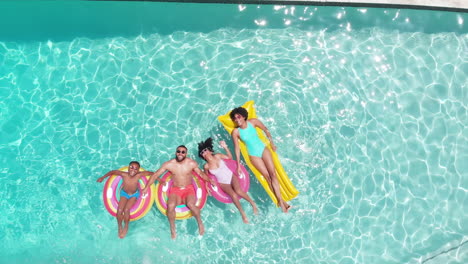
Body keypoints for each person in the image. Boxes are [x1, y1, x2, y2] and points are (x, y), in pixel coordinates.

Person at [142, 145, 213, 239]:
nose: (180, 153)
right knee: (170, 206)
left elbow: (200, 173)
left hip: (189, 189)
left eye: (183, 152)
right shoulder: (169, 164)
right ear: (176, 152)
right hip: (175, 190)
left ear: (186, 154)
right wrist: (146, 187)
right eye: (178, 151)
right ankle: (172, 228)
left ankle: (200, 222)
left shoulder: (191, 163)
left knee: (191, 204)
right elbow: (155, 175)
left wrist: (209, 181)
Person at [229, 106, 291, 213]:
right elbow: (237, 149)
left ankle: (281, 202)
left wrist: (272, 143)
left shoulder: (253, 122)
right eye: (234, 118)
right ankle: (282, 202)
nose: (237, 120)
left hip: (263, 149)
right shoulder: (236, 132)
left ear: (243, 116)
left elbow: (265, 130)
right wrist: (238, 165)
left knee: (273, 174)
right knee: (267, 177)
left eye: (238, 117)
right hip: (253, 155)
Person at [198, 138, 258, 223]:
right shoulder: (206, 166)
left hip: (231, 176)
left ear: (210, 151)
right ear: (202, 156)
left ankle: (252, 203)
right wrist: (207, 186)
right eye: (202, 152)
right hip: (223, 183)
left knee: (238, 191)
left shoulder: (218, 156)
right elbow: (206, 176)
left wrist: (225, 147)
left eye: (205, 150)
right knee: (233, 195)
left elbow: (230, 157)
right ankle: (243, 214)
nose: (204, 152)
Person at [97, 161, 155, 239]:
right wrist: (103, 177)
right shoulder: (123, 174)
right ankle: (120, 226)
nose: (133, 170)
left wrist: (160, 180)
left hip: (134, 195)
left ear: (138, 170)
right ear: (128, 167)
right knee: (120, 210)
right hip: (124, 194)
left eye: (135, 169)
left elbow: (151, 173)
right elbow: (113, 172)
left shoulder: (139, 175)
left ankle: (126, 226)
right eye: (131, 167)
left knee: (126, 210)